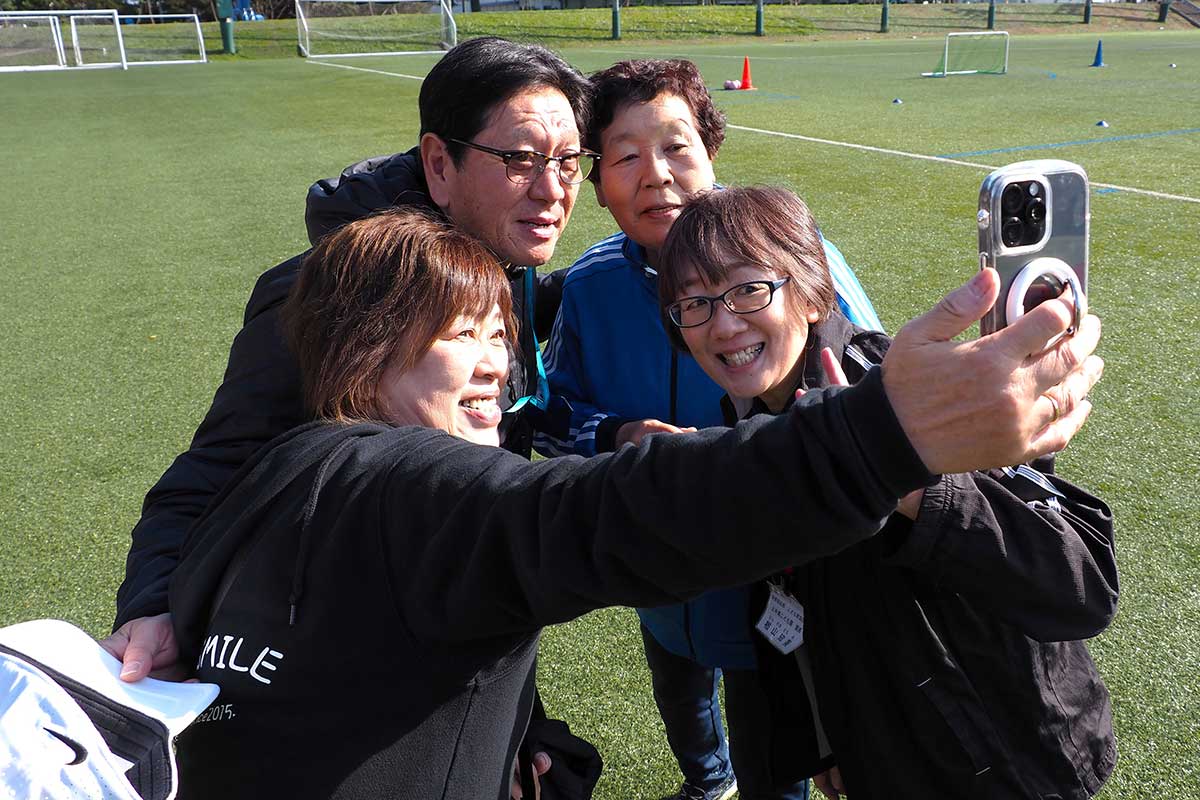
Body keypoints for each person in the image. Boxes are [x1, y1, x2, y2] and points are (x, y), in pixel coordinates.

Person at [104, 36, 593, 682]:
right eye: (522, 159)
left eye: (569, 161)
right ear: (439, 165)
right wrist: (156, 605)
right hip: (346, 657)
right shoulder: (329, 297)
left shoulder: (502, 263)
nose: (552, 190)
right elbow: (215, 467)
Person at [656, 186, 1117, 800]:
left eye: (748, 289)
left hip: (1009, 763)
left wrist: (904, 478)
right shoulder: (748, 421)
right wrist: (828, 735)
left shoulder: (906, 394)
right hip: (885, 757)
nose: (723, 323)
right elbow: (791, 595)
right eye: (695, 304)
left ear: (814, 290)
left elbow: (1081, 583)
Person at [535, 59, 876, 800]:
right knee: (679, 687)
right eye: (625, 156)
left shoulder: (790, 255)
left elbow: (864, 393)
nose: (655, 175)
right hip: (660, 575)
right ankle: (705, 779)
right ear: (597, 182)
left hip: (781, 585)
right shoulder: (591, 285)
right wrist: (616, 436)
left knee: (777, 748)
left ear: (712, 153)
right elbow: (549, 413)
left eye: (677, 146)